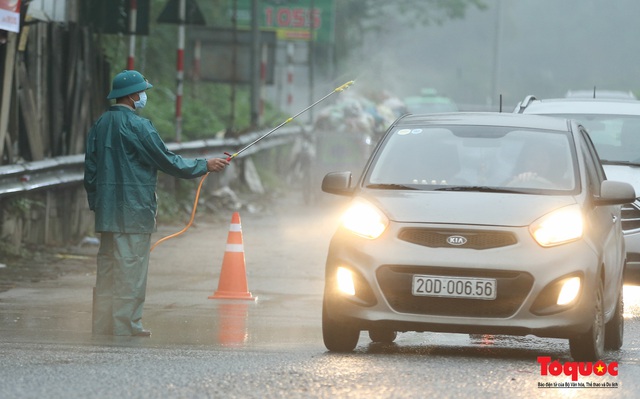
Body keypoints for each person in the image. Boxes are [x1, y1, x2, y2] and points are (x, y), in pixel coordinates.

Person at [84, 70, 229, 337]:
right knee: (131, 269)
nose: (144, 97)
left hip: (107, 214)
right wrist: (203, 165)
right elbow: (165, 160)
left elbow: (90, 169)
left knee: (108, 270)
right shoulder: (139, 127)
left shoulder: (100, 123)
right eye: (143, 92)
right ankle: (126, 325)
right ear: (132, 95)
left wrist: (97, 203)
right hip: (134, 213)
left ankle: (103, 325)